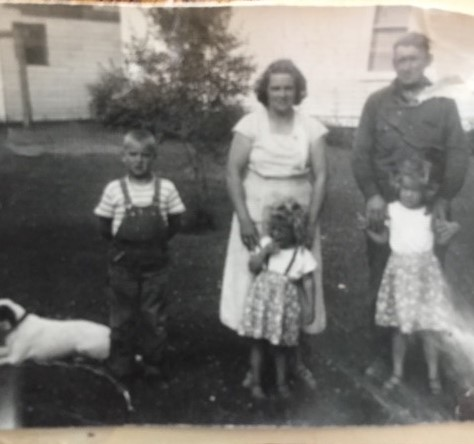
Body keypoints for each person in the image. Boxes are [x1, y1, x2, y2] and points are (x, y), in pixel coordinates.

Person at [352, 32, 469, 375]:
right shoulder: (376, 103)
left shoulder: (444, 104)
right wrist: (372, 193)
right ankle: (381, 355)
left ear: (427, 61)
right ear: (394, 64)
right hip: (385, 211)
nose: (407, 66)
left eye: (413, 59)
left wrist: (445, 198)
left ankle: (426, 357)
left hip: (428, 214)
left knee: (428, 286)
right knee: (381, 281)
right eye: (400, 60)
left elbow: (458, 155)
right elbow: (360, 153)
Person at [220, 59, 328, 388]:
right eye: (276, 88)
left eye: (288, 88)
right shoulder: (250, 125)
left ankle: (294, 361)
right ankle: (255, 366)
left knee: (296, 281)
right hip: (255, 212)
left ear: (298, 91)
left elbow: (322, 176)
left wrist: (310, 222)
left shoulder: (311, 127)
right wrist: (243, 218)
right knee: (254, 285)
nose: (282, 94)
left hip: (297, 217)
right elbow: (232, 173)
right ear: (266, 91)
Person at [94, 129, 185, 383]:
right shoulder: (114, 189)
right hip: (123, 265)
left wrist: (156, 242)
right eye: (132, 154)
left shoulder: (166, 188)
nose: (139, 161)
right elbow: (104, 224)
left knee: (153, 316)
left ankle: (153, 362)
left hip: (156, 266)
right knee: (122, 316)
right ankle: (121, 363)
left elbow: (175, 223)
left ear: (154, 157)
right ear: (123, 157)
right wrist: (123, 246)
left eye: (145, 155)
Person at [360, 160, 458, 394]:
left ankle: (433, 375)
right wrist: (368, 229)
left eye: (415, 191)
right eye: (405, 189)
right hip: (400, 274)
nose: (410, 195)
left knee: (429, 328)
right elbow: (384, 239)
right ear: (397, 187)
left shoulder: (430, 213)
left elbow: (442, 241)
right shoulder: (392, 210)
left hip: (425, 275)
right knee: (400, 329)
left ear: (425, 191)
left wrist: (454, 229)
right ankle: (397, 372)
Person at [239, 199, 317, 399]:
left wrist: (310, 307)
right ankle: (255, 382)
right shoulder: (267, 245)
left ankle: (281, 383)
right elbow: (253, 267)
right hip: (262, 303)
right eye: (273, 229)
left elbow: (308, 281)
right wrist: (264, 252)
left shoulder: (302, 254)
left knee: (280, 346)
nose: (276, 234)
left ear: (296, 230)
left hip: (283, 306)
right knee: (257, 343)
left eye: (282, 230)